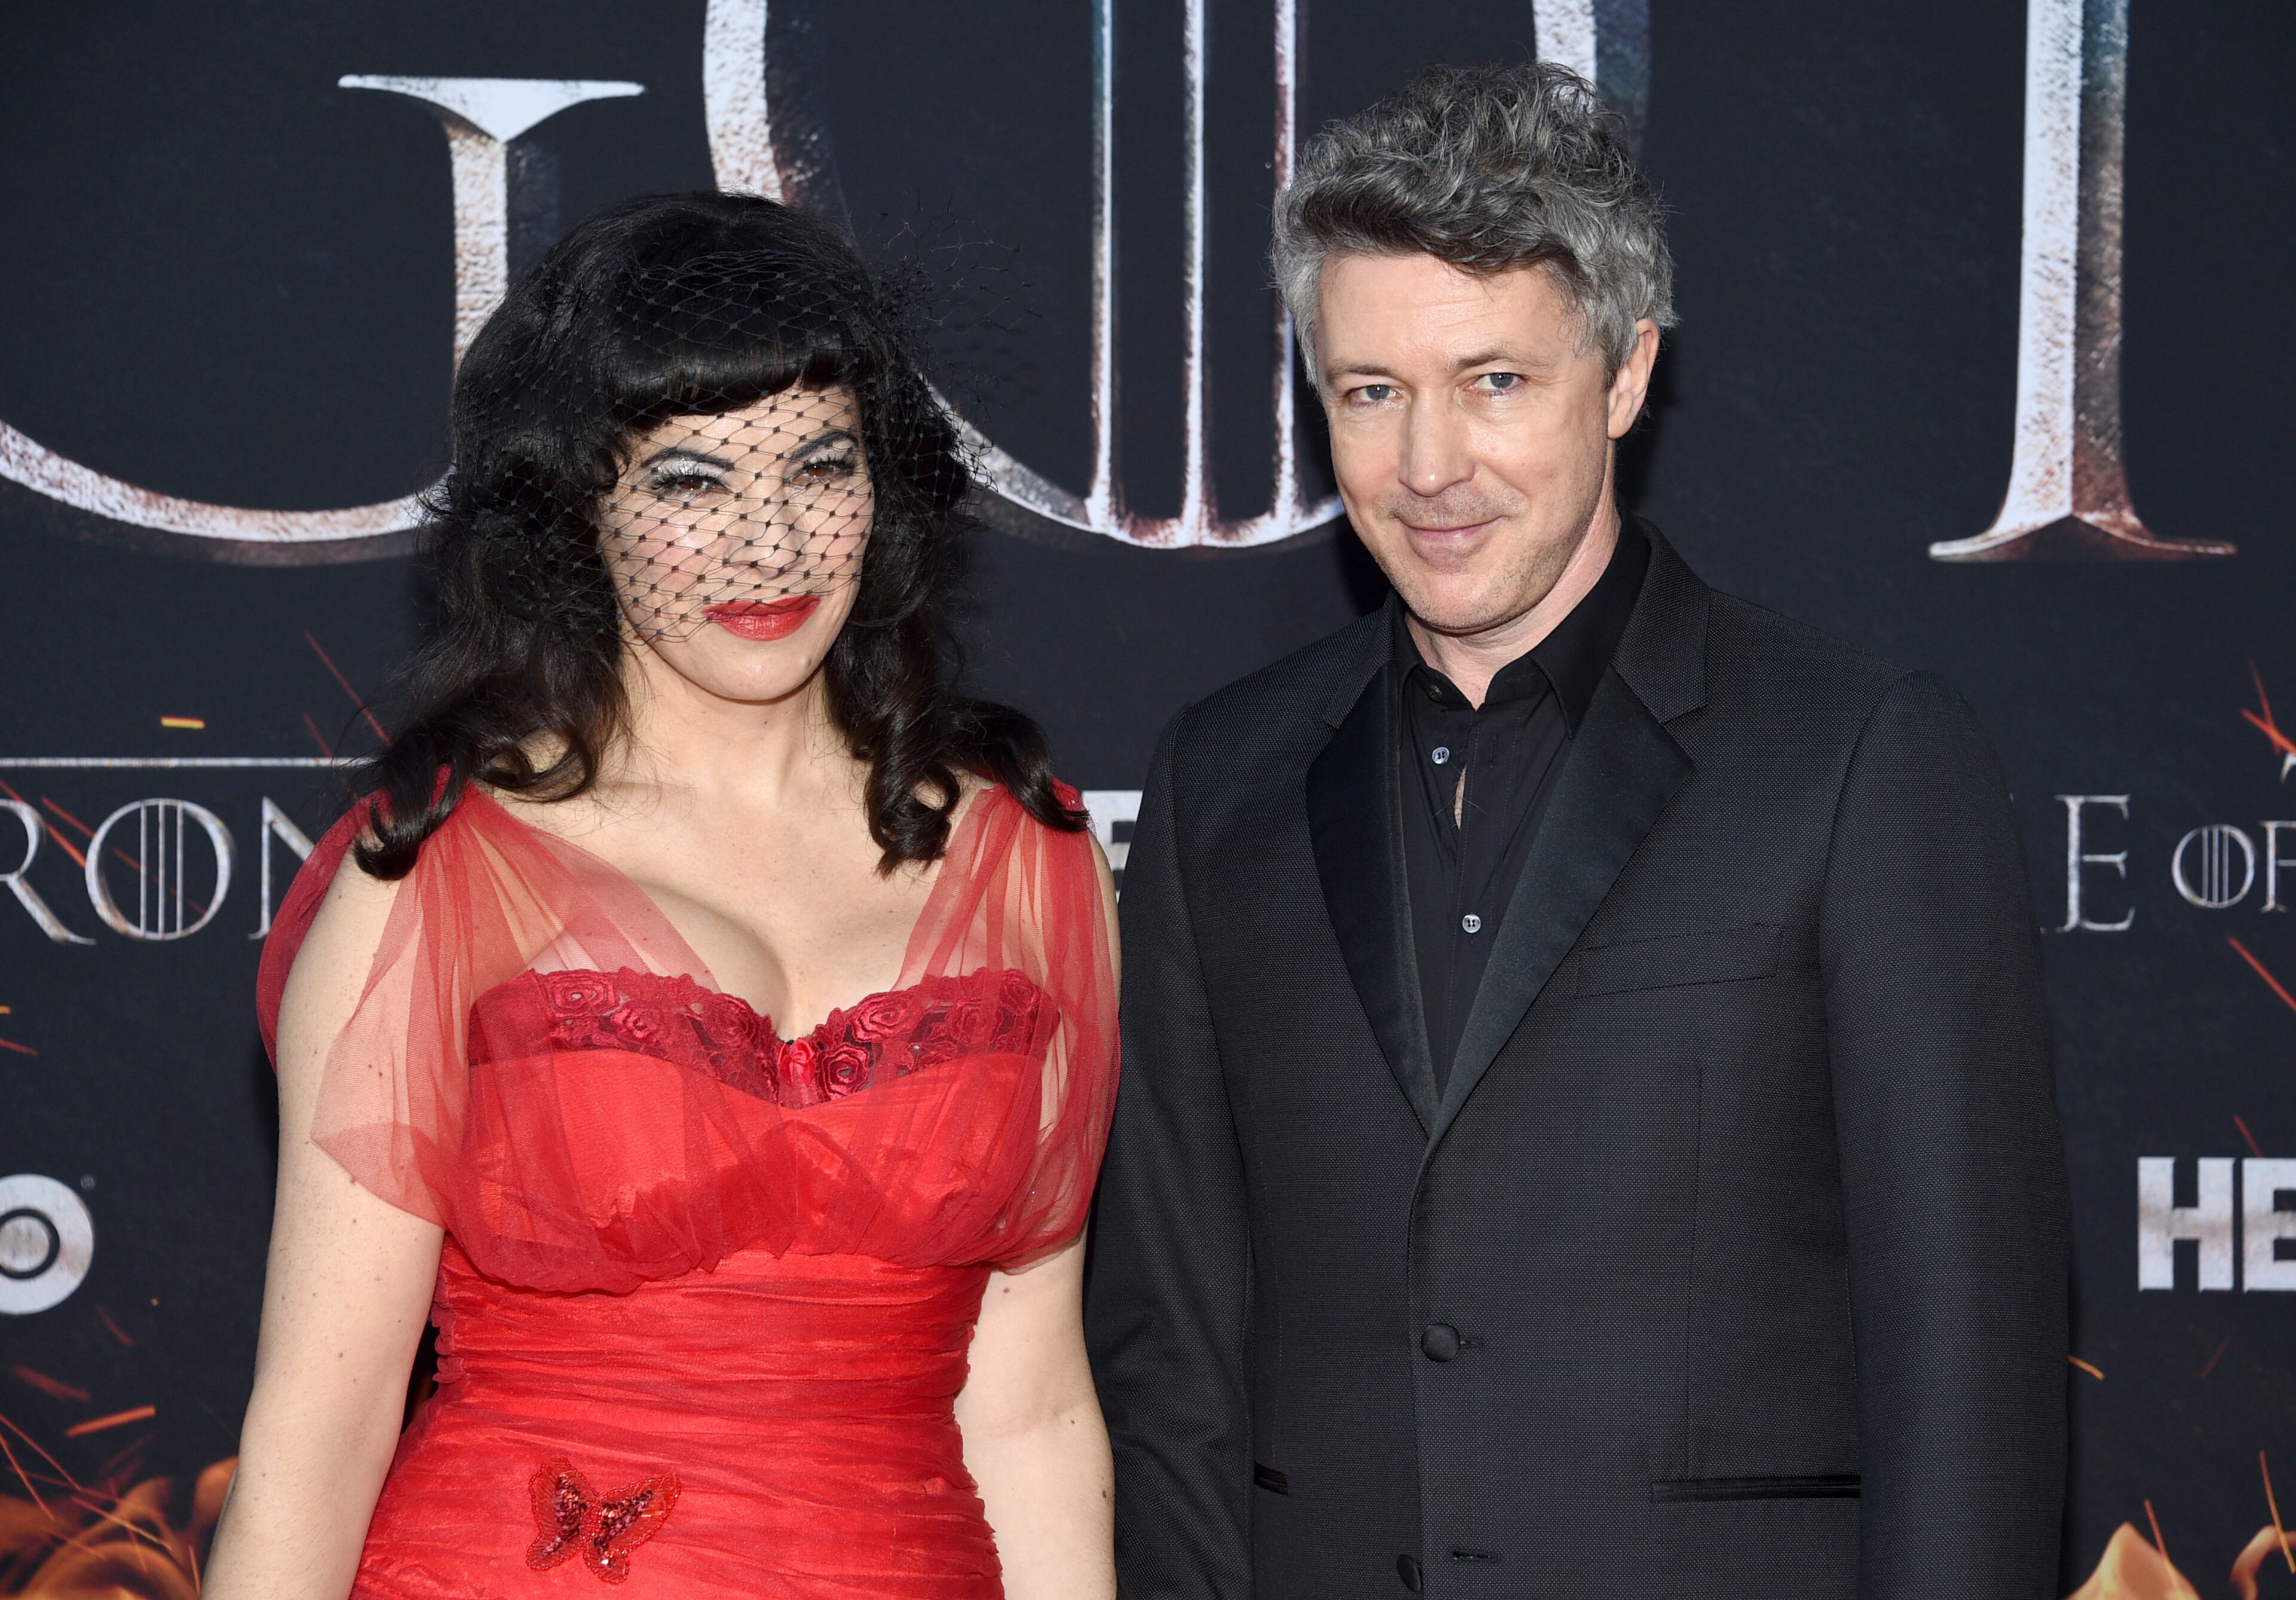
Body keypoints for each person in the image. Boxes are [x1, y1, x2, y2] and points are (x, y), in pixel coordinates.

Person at [1085, 61, 2069, 1599]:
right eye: (1370, 393)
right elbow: (1178, 1358)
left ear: (1622, 376)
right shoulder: (1223, 780)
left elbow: (1971, 1367)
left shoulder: (1855, 757)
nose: (1427, 469)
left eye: (1495, 383)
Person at [203, 193, 1120, 1600]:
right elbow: (318, 1440)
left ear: (885, 488)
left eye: (821, 466)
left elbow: (1033, 1411)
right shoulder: (441, 873)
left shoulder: (1032, 860)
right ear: (579, 507)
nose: (771, 542)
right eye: (690, 483)